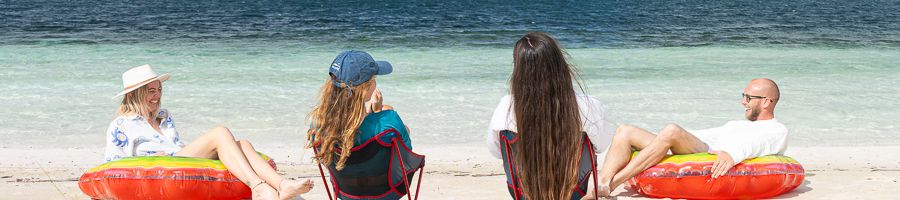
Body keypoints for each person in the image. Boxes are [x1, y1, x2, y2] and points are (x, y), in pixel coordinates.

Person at [104, 65, 313, 200]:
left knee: (243, 145)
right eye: (151, 91)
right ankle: (258, 187)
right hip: (163, 167)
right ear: (135, 95)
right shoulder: (122, 125)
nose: (157, 96)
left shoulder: (164, 117)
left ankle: (282, 185)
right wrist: (147, 162)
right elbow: (113, 167)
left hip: (180, 160)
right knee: (220, 133)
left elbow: (177, 145)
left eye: (159, 90)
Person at [590, 78, 788, 198]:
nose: (742, 102)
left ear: (767, 102)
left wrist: (733, 154)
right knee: (625, 130)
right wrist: (664, 140)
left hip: (709, 155)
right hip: (697, 146)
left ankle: (612, 184)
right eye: (743, 95)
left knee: (672, 130)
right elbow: (705, 135)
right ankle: (603, 184)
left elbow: (758, 144)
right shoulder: (738, 125)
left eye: (748, 98)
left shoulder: (776, 130)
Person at [485, 32, 615, 200]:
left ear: (519, 71)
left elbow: (495, 151)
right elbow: (602, 146)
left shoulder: (506, 107)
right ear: (560, 65)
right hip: (572, 193)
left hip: (523, 193)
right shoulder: (588, 106)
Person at [306, 50, 411, 170]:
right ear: (366, 87)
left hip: (346, 187)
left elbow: (354, 130)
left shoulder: (319, 123)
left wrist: (373, 115)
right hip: (387, 187)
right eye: (374, 79)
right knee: (392, 115)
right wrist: (378, 115)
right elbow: (406, 154)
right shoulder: (389, 121)